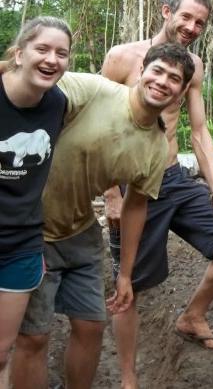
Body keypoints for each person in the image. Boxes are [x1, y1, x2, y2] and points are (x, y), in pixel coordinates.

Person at [11, 43, 193, 389]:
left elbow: (136, 206)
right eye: (158, 71)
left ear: (181, 93)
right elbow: (33, 84)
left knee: (92, 327)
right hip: (30, 230)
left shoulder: (156, 148)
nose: (162, 82)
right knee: (33, 337)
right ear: (142, 71)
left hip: (80, 232)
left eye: (174, 79)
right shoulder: (94, 91)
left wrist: (125, 274)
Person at [102, 0, 213, 387]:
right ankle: (128, 377)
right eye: (186, 17)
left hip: (173, 177)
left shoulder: (194, 66)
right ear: (166, 10)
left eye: (200, 23)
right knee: (129, 286)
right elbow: (97, 128)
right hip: (130, 184)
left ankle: (193, 316)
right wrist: (111, 196)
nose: (191, 28)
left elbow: (200, 131)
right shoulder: (122, 57)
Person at [0, 17, 71, 389]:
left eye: (61, 53)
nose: (51, 59)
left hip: (20, 243)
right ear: (19, 53)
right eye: (42, 49)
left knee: (1, 352)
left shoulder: (58, 103)